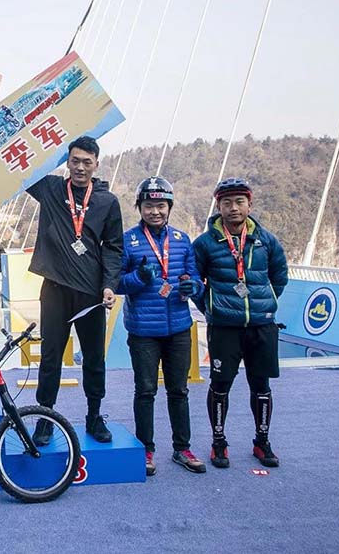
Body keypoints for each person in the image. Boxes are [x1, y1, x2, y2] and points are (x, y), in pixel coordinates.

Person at [26, 136, 123, 445]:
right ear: (66, 161)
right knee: (50, 357)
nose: (80, 167)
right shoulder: (50, 189)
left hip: (91, 294)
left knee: (94, 358)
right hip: (54, 289)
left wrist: (109, 285)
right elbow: (18, 170)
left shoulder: (107, 202)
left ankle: (94, 416)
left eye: (87, 162)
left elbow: (114, 248)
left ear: (96, 164)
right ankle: (45, 419)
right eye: (75, 161)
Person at [192, 178, 288, 469]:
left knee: (261, 385)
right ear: (218, 206)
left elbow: (279, 276)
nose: (233, 208)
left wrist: (262, 303)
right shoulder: (205, 243)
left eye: (239, 202)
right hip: (224, 326)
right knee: (221, 384)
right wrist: (212, 308)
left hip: (261, 325)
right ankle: (218, 442)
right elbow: (196, 283)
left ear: (249, 204)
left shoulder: (267, 240)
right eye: (226, 203)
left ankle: (262, 441)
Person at [117, 177, 206, 476]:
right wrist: (139, 278)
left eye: (160, 205)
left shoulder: (182, 240)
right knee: (145, 390)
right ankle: (146, 450)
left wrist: (192, 286)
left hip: (179, 327)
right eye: (148, 205)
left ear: (169, 207)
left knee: (179, 390)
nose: (155, 211)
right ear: (139, 207)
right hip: (143, 330)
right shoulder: (127, 240)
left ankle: (182, 448)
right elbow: (116, 284)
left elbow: (196, 280)